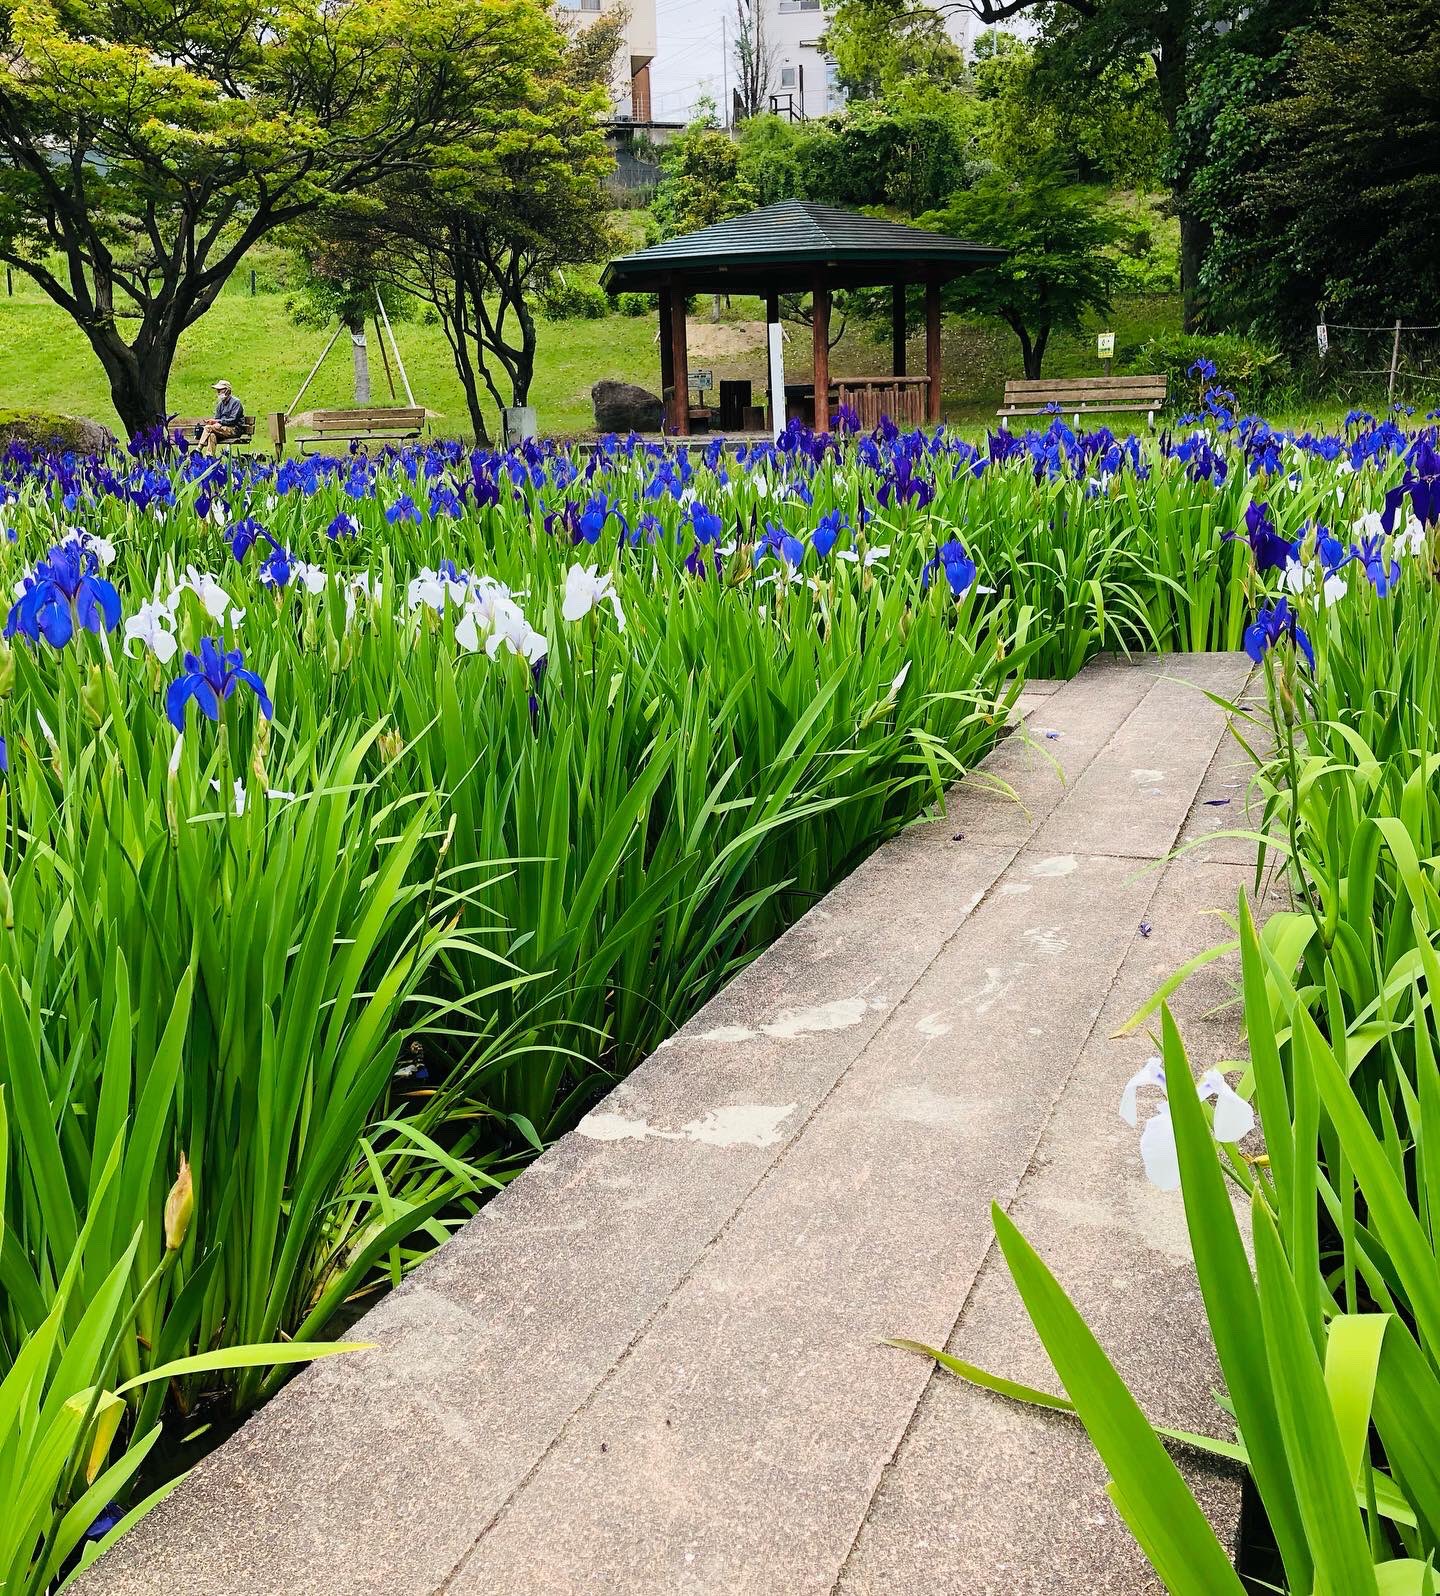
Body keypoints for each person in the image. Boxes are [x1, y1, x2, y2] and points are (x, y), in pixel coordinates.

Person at [198, 381, 245, 455]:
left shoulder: (236, 402)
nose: (218, 392)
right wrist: (214, 422)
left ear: (227, 390)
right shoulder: (220, 405)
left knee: (208, 428)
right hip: (222, 430)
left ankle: (198, 449)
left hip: (234, 429)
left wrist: (219, 422)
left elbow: (233, 420)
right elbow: (217, 419)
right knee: (211, 435)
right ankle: (209, 457)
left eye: (220, 390)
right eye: (217, 390)